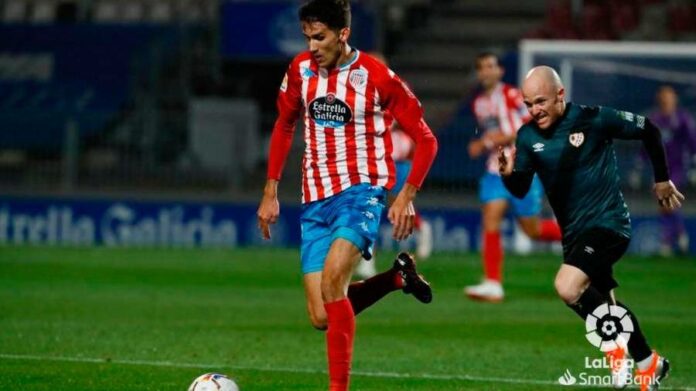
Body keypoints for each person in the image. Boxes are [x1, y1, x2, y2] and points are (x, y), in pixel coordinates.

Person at [256, 1, 438, 390]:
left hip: (362, 191)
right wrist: (270, 191)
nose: (312, 46)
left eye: (319, 37)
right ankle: (395, 280)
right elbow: (284, 125)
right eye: (307, 37)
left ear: (343, 34)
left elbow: (426, 139)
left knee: (335, 278)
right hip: (314, 198)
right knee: (321, 315)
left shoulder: (376, 77)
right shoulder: (300, 71)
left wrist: (406, 194)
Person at [500, 66, 683, 390]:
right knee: (604, 300)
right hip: (575, 234)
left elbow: (650, 130)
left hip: (610, 224)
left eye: (540, 101)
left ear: (560, 95)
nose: (534, 110)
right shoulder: (527, 137)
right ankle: (648, 363)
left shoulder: (593, 119)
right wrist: (508, 174)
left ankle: (616, 350)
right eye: (528, 104)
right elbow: (520, 188)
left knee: (567, 286)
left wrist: (661, 179)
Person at [464, 53, 562, 302]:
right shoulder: (478, 103)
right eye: (481, 67)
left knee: (533, 230)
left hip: (522, 169)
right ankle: (493, 283)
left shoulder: (513, 95)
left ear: (499, 71)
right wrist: (487, 144)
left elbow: (526, 127)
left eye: (490, 66)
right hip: (495, 170)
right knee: (491, 218)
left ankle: (580, 232)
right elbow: (494, 134)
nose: (485, 71)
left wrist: (485, 141)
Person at [353, 52, 434, 279]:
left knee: (392, 205)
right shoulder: (358, 86)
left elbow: (412, 116)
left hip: (396, 157)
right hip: (372, 159)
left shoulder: (397, 86)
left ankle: (421, 226)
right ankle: (367, 261)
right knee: (371, 207)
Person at [647, 85, 696, 255]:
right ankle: (677, 237)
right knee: (664, 204)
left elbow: (692, 142)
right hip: (660, 167)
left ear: (674, 99)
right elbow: (648, 144)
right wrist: (639, 165)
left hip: (677, 167)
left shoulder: (682, 119)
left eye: (668, 96)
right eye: (663, 96)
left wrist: (693, 165)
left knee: (667, 199)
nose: (665, 100)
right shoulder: (655, 119)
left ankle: (670, 240)